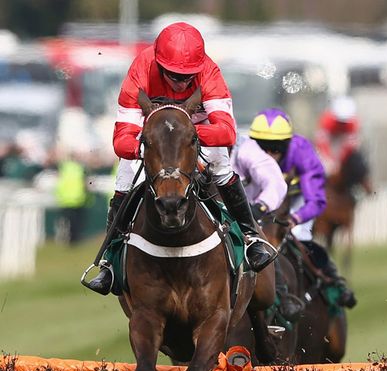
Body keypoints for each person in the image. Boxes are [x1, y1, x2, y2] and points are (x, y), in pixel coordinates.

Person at [82, 22, 277, 295]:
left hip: (194, 128)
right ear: (160, 65)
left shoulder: (210, 71)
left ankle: (251, 237)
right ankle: (109, 261)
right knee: (125, 176)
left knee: (221, 166)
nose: (183, 81)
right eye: (174, 75)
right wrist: (152, 146)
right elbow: (122, 138)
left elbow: (227, 131)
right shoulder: (140, 70)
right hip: (153, 133)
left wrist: (184, 136)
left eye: (189, 76)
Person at [248, 108, 357, 309]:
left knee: (300, 234)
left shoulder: (302, 152)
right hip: (258, 198)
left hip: (294, 199)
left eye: (276, 148)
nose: (269, 156)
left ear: (287, 144)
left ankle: (332, 281)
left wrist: (296, 218)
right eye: (264, 148)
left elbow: (315, 200)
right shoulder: (244, 152)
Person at [231, 125, 306, 322]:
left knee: (263, 245)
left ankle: (281, 298)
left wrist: (259, 208)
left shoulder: (244, 149)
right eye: (268, 147)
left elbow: (276, 184)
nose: (271, 153)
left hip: (246, 213)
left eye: (276, 149)